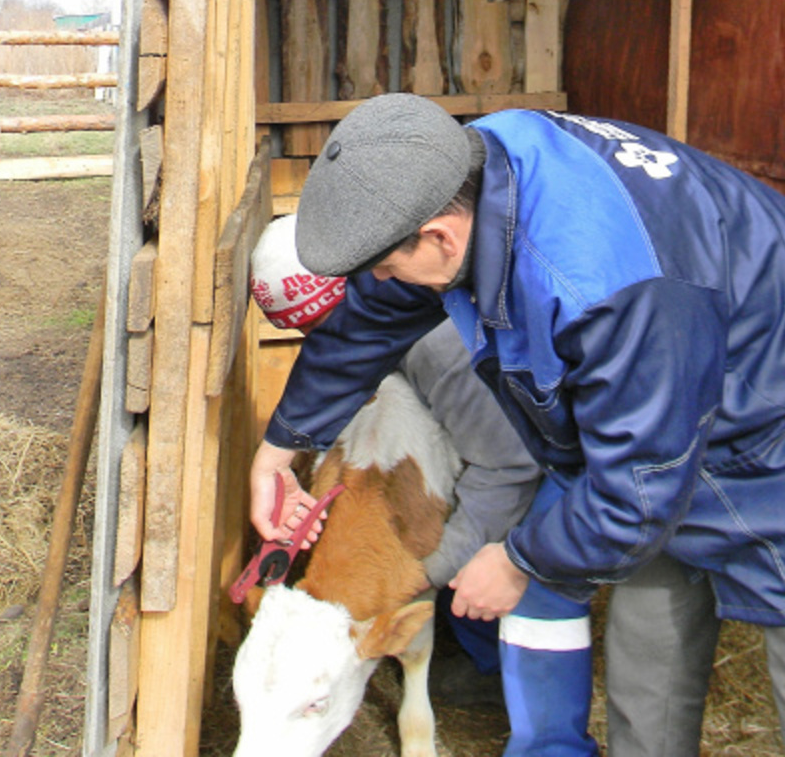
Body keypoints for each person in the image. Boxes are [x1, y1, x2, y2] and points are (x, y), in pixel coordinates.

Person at [250, 94, 785, 757]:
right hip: (662, 422)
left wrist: (519, 560)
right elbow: (375, 312)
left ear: (439, 238)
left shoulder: (602, 287)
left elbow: (638, 492)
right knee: (646, 666)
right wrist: (280, 450)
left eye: (392, 264)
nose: (392, 279)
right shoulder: (468, 170)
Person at [249, 215, 599, 744]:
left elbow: (508, 468)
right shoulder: (380, 337)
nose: (323, 344)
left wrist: (427, 572)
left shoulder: (436, 347)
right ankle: (482, 660)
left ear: (363, 294)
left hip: (563, 453)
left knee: (522, 579)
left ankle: (536, 722)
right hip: (505, 442)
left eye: (323, 327)